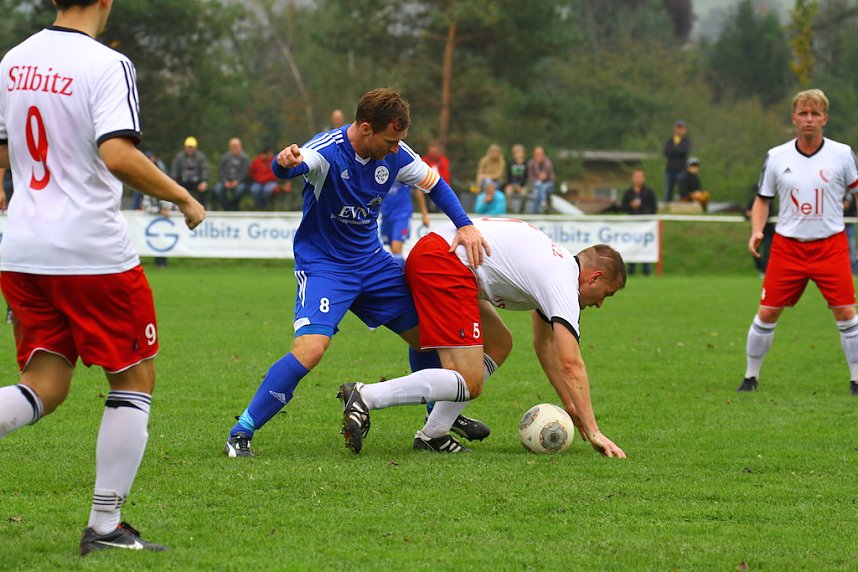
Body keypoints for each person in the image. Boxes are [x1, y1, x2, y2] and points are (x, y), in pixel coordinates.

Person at [0, 0, 206, 555]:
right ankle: (106, 525)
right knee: (134, 379)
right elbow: (117, 153)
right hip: (89, 252)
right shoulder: (106, 63)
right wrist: (182, 194)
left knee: (46, 382)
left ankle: (108, 525)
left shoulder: (13, 60)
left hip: (22, 250)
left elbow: (2, 155)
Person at [223, 88, 489, 458]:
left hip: (373, 264)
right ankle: (242, 431)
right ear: (366, 129)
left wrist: (465, 225)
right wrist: (283, 163)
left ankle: (436, 423)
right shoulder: (327, 151)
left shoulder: (395, 157)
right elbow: (294, 166)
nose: (396, 149)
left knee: (429, 335)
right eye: (390, 140)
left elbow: (434, 185)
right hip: (325, 266)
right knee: (311, 350)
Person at [336, 218, 627, 458]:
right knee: (469, 380)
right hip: (444, 261)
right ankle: (365, 395)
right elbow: (571, 363)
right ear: (595, 277)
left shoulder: (556, 265)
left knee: (500, 342)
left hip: (439, 252)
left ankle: (434, 434)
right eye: (607, 294)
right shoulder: (563, 281)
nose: (601, 303)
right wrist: (593, 431)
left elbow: (544, 345)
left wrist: (571, 404)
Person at [740, 89, 858, 396]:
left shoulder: (843, 154)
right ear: (793, 118)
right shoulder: (776, 156)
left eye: (815, 113)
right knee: (767, 312)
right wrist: (756, 230)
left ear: (825, 119)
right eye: (803, 113)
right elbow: (762, 200)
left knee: (846, 312)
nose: (809, 119)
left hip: (830, 245)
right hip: (787, 247)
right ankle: (750, 377)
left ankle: (856, 379)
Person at [380, 181, 431, 268]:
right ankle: (406, 273)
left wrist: (424, 214)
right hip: (386, 215)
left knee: (396, 248)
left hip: (402, 214)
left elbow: (417, 190)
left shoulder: (402, 171)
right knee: (393, 251)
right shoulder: (380, 173)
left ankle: (397, 280)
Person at [619, 168, 658, 276]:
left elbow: (654, 208)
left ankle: (646, 272)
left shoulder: (649, 192)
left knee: (646, 248)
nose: (638, 179)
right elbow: (622, 208)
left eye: (640, 177)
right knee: (632, 248)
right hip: (632, 227)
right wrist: (630, 206)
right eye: (636, 177)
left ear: (643, 178)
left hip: (646, 227)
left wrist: (646, 214)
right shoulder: (628, 193)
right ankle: (631, 271)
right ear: (632, 178)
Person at [212, 137, 250, 211]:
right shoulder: (224, 157)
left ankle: (233, 207)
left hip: (240, 182)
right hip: (226, 181)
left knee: (240, 189)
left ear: (240, 147)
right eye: (232, 146)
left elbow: (245, 172)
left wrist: (237, 181)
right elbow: (220, 171)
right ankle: (227, 207)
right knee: (217, 189)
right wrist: (225, 181)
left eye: (236, 146)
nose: (234, 148)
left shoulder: (244, 158)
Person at [744, 186, 775, 277]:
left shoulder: (769, 201)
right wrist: (748, 213)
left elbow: (769, 213)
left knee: (767, 252)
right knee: (754, 250)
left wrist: (757, 214)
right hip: (756, 231)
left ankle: (766, 271)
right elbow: (745, 212)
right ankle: (761, 269)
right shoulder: (753, 201)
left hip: (768, 231)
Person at [170, 135, 209, 207]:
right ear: (185, 147)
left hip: (196, 182)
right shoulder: (179, 157)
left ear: (195, 147)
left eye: (192, 147)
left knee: (204, 189)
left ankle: (201, 207)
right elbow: (174, 169)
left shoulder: (201, 157)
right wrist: (174, 180)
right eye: (188, 147)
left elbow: (205, 169)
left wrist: (204, 181)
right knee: (174, 188)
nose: (190, 149)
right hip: (182, 181)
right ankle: (176, 207)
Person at [663, 119, 691, 202]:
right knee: (668, 191)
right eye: (678, 128)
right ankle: (667, 207)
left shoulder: (686, 141)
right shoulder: (670, 140)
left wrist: (674, 149)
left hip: (681, 170)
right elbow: (666, 152)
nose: (679, 130)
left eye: (681, 128)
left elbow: (684, 151)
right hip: (670, 169)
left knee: (682, 190)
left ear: (684, 129)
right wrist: (677, 150)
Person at [248, 146, 282, 210]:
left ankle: (269, 207)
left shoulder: (273, 161)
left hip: (270, 182)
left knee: (267, 190)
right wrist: (258, 179)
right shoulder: (257, 161)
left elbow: (275, 174)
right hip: (258, 182)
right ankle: (259, 207)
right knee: (254, 190)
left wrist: (265, 178)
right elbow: (252, 172)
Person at [526, 146, 555, 214]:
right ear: (534, 155)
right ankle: (542, 202)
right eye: (537, 154)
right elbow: (531, 176)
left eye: (540, 154)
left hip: (548, 183)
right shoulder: (531, 163)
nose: (538, 156)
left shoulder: (548, 162)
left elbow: (550, 177)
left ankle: (535, 212)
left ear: (543, 154)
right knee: (538, 188)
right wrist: (536, 164)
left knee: (540, 188)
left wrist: (544, 177)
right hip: (536, 183)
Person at [504, 143, 528, 214]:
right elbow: (508, 176)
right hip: (512, 185)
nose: (518, 154)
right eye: (516, 153)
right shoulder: (511, 164)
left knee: (524, 193)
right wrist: (509, 184)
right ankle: (510, 209)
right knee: (508, 192)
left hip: (523, 186)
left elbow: (527, 177)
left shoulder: (527, 164)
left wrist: (521, 186)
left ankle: (521, 210)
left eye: (520, 152)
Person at [844, 192, 857, 275]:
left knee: (852, 250)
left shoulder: (852, 194)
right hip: (839, 226)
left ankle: (852, 272)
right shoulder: (838, 193)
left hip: (849, 226)